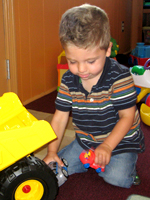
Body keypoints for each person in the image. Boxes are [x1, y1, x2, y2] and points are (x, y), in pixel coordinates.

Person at [44, 4, 145, 188]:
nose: (81, 69)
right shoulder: (68, 79)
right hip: (86, 140)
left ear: (107, 49)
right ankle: (89, 159)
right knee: (58, 166)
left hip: (120, 140)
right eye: (72, 61)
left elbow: (127, 117)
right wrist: (52, 151)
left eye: (90, 61)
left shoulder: (120, 77)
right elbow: (59, 119)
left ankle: (131, 168)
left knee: (117, 179)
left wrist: (107, 146)